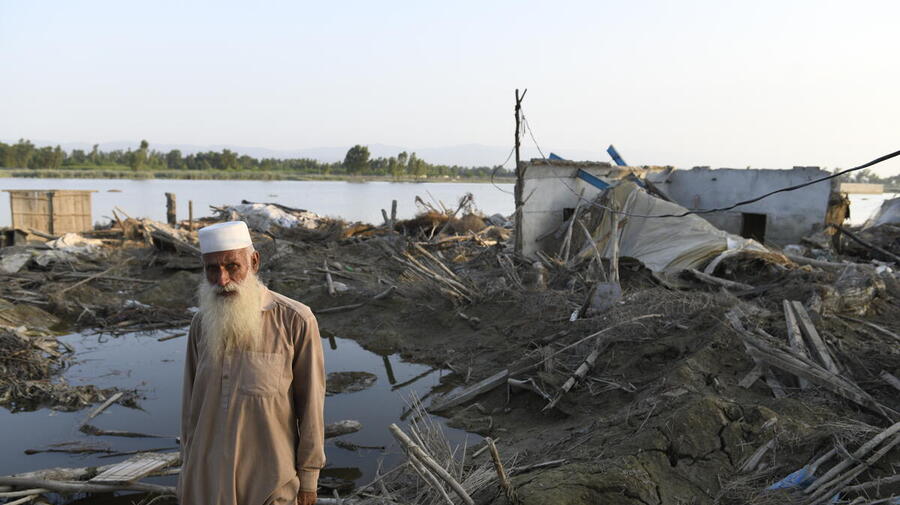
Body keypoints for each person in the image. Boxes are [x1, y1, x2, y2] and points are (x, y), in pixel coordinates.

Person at [178, 221, 325, 505]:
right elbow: (189, 404)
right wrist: (186, 467)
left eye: (232, 266)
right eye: (212, 269)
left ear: (254, 261)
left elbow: (312, 409)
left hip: (270, 482)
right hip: (205, 481)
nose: (222, 280)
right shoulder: (201, 323)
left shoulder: (295, 320)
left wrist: (309, 479)